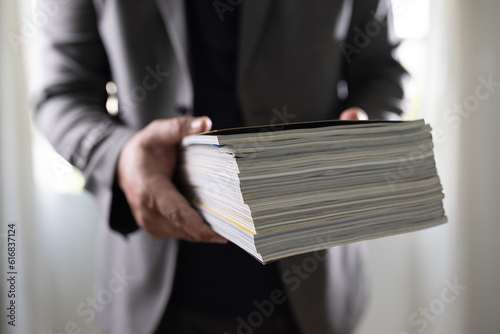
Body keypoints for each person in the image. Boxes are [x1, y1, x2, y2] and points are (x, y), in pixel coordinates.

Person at [35, 0, 408, 333]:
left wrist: (363, 132)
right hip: (151, 298)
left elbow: (382, 71)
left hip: (312, 287)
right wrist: (119, 155)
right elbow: (62, 93)